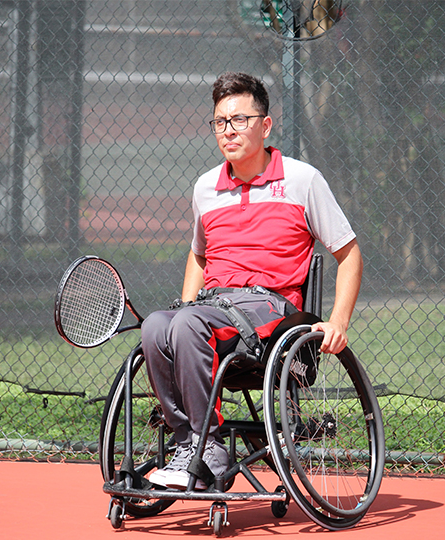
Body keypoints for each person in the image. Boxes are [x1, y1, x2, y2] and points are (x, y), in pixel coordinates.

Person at [141, 72, 363, 490]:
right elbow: (199, 254)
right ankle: (188, 442)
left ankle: (211, 449)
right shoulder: (205, 187)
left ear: (265, 125)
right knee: (156, 325)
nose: (228, 130)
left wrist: (338, 322)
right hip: (214, 308)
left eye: (240, 120)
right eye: (220, 122)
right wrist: (185, 306)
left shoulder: (303, 180)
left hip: (270, 313)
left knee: (187, 325)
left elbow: (349, 254)